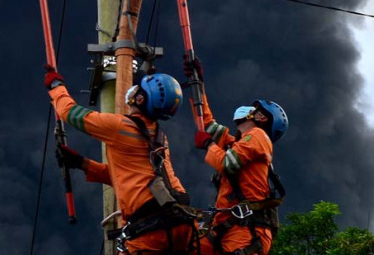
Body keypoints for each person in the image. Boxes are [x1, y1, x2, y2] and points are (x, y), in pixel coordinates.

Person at [46, 65, 199, 254]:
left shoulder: (120, 127)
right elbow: (129, 178)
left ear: (141, 99)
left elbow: (70, 113)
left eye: (139, 88)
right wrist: (82, 163)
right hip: (181, 221)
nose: (134, 89)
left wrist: (56, 85)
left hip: (150, 229)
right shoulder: (158, 136)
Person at [186, 58, 288, 255]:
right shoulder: (238, 144)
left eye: (256, 110)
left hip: (246, 231)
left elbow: (227, 163)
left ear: (262, 118)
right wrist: (197, 83)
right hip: (230, 227)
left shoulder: (258, 136)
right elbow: (207, 124)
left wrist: (208, 144)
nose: (250, 110)